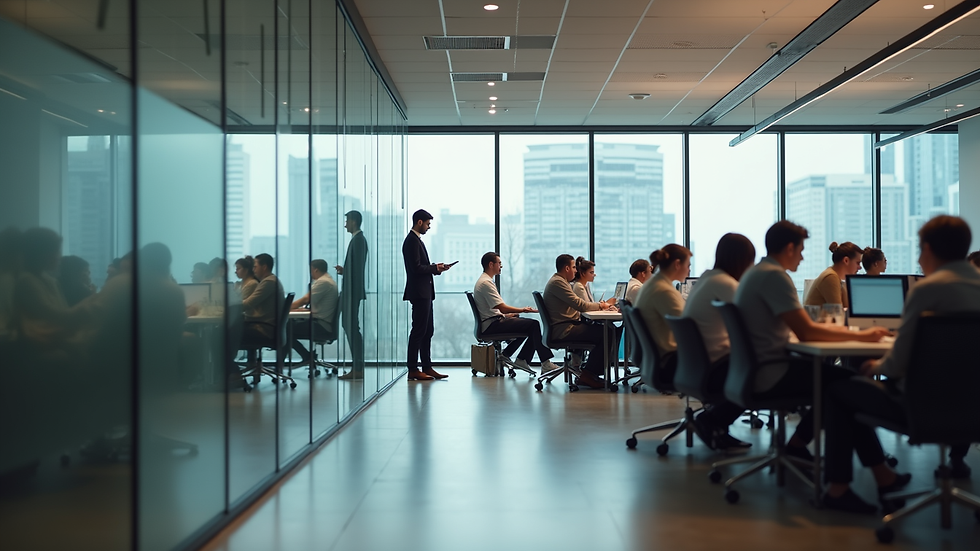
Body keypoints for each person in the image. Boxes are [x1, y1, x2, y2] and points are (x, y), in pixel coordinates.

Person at [733, 221, 900, 514]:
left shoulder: (757, 274)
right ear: (789, 248)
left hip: (754, 370)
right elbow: (808, 331)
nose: (802, 257)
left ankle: (831, 464)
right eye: (800, 250)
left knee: (841, 385)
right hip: (771, 372)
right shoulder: (774, 277)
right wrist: (864, 336)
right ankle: (852, 482)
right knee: (847, 387)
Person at [823, 216, 980, 494]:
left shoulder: (927, 290)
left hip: (922, 406)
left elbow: (897, 364)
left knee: (839, 390)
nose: (918, 259)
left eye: (919, 250)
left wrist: (875, 366)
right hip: (974, 406)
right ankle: (886, 476)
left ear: (928, 249)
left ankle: (842, 490)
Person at [683, 233, 756, 451]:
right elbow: (754, 319)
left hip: (697, 365)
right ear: (742, 260)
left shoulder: (708, 279)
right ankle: (713, 421)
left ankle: (716, 424)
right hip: (716, 366)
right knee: (760, 372)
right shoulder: (725, 284)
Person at [474, 252, 560, 375]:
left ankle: (511, 356)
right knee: (533, 325)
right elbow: (501, 307)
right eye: (499, 263)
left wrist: (508, 315)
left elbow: (493, 310)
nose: (501, 266)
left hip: (490, 322)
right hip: (491, 325)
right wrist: (522, 309)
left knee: (526, 324)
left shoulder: (485, 281)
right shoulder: (486, 283)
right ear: (491, 264)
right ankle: (543, 362)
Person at [543, 253, 619, 389]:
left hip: (565, 326)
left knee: (605, 330)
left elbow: (578, 304)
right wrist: (601, 305)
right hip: (564, 329)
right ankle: (588, 375)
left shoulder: (560, 281)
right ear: (567, 268)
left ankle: (590, 373)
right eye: (573, 267)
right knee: (607, 332)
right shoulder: (558, 283)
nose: (575, 271)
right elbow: (580, 305)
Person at [403, 209, 451, 381]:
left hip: (425, 292)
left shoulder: (416, 240)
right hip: (419, 293)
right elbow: (416, 268)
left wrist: (436, 268)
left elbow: (420, 267)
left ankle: (427, 367)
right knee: (418, 331)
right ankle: (413, 369)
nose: (429, 227)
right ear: (419, 222)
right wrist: (434, 268)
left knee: (427, 331)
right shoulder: (412, 241)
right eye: (428, 224)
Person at [633, 244, 690, 385]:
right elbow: (687, 326)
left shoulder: (653, 284)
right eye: (688, 265)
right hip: (669, 361)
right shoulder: (663, 290)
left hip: (656, 358)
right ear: (677, 264)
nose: (689, 270)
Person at [290, 259, 339, 373]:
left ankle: (305, 356)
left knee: (285, 328)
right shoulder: (328, 280)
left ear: (315, 270)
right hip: (322, 323)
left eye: (310, 270)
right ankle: (306, 356)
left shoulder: (323, 282)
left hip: (321, 326)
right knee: (289, 325)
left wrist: (286, 307)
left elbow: (306, 299)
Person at [336, 210, 367, 377]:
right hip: (352, 291)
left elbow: (357, 270)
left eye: (347, 221)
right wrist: (345, 271)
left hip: (352, 293)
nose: (345, 225)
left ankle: (357, 368)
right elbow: (355, 268)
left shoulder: (359, 240)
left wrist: (347, 272)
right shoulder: (357, 240)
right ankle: (357, 367)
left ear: (354, 221)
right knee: (350, 326)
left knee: (352, 328)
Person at [242, 253, 285, 368]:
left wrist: (227, 307)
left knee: (225, 333)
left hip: (264, 329)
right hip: (268, 327)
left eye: (255, 267)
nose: (253, 270)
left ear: (264, 267)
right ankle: (250, 366)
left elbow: (248, 304)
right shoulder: (272, 280)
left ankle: (233, 371)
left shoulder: (268, 282)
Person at [804, 241, 862, 309]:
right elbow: (838, 311)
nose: (860, 267)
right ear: (846, 260)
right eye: (858, 263)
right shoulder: (831, 277)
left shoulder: (834, 276)